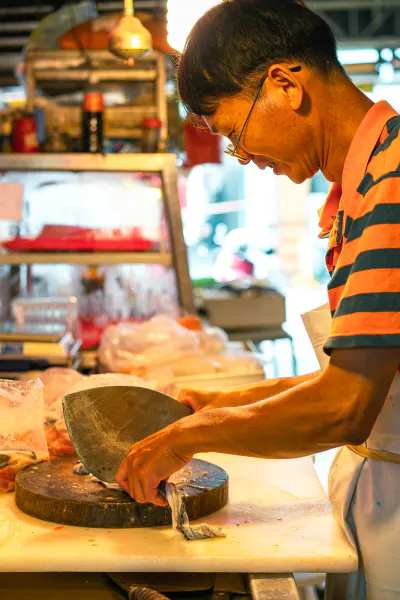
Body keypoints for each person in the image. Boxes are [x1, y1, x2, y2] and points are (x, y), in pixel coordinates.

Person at [116, 1, 400, 597]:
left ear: (285, 83)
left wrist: (189, 436)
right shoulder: (358, 188)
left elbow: (345, 406)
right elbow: (357, 375)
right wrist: (217, 405)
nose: (243, 157)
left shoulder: (393, 182)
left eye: (232, 133)